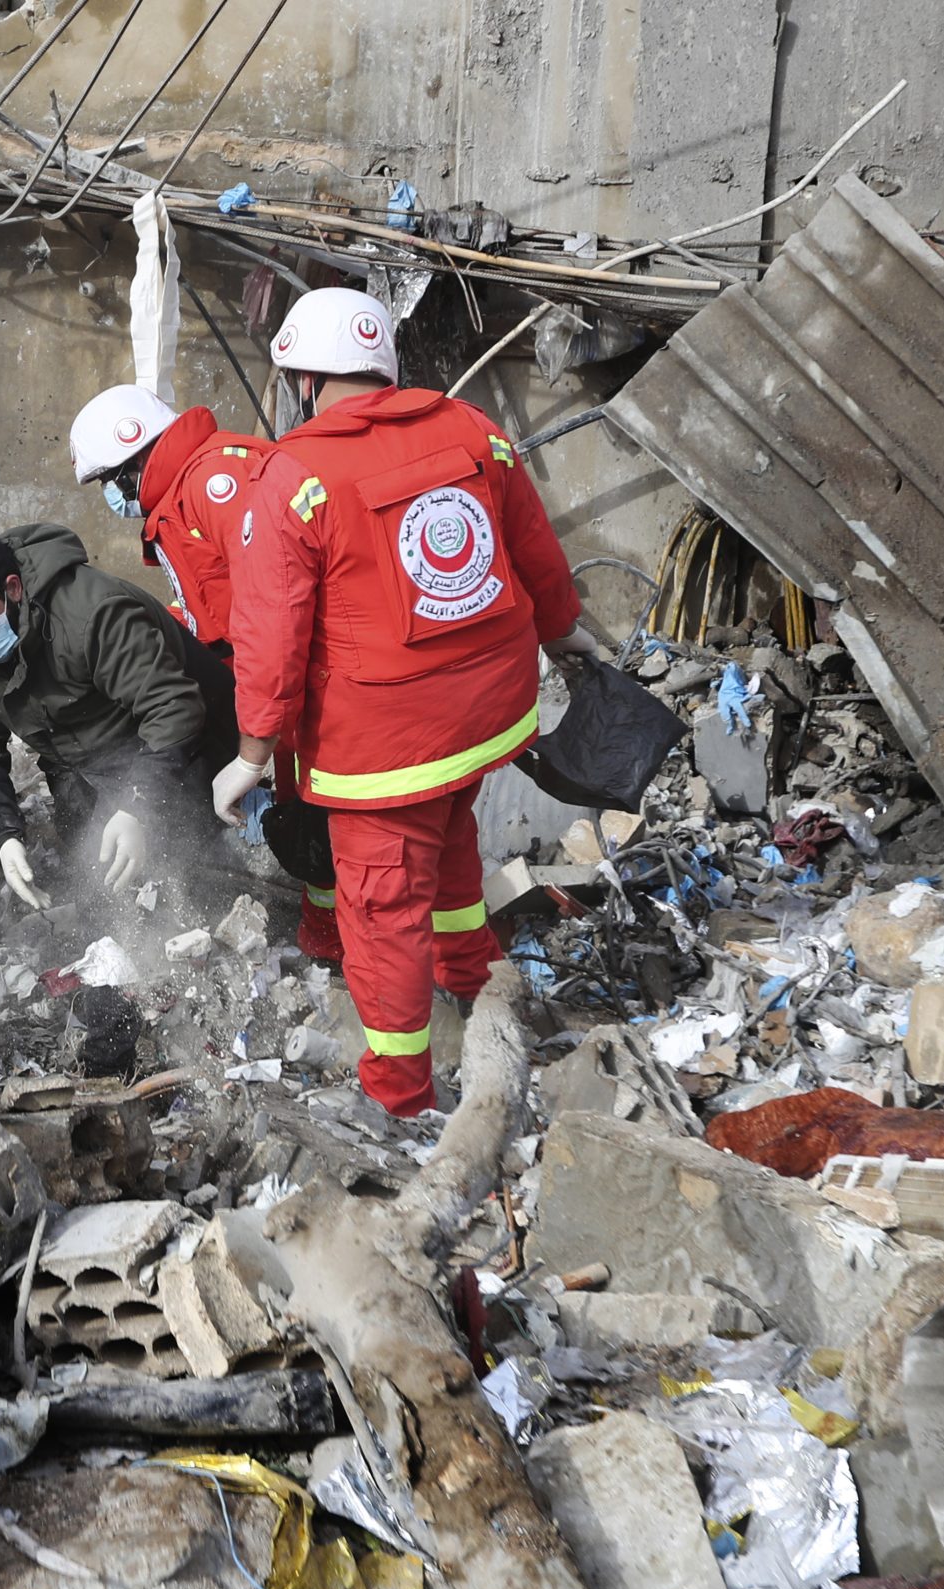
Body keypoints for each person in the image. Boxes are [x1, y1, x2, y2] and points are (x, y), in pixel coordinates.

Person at [210, 287, 599, 1116]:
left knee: (381, 905)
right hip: (488, 712)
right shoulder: (472, 429)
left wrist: (250, 756)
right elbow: (535, 546)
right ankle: (475, 980)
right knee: (451, 832)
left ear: (305, 382)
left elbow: (270, 636)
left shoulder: (293, 478)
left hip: (385, 741)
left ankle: (400, 1093)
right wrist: (568, 639)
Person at [68, 381, 343, 963]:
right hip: (270, 677)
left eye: (108, 483)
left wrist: (252, 746)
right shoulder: (184, 492)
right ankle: (324, 931)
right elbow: (212, 600)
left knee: (326, 813)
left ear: (133, 458)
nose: (111, 500)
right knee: (306, 808)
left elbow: (274, 599)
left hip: (301, 678)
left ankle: (347, 938)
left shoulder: (214, 484)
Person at [0, 525, 237, 910]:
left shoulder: (92, 611)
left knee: (182, 869)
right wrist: (3, 835)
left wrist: (136, 805)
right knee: (100, 883)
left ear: (13, 588)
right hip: (78, 754)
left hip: (180, 738)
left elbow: (173, 707)